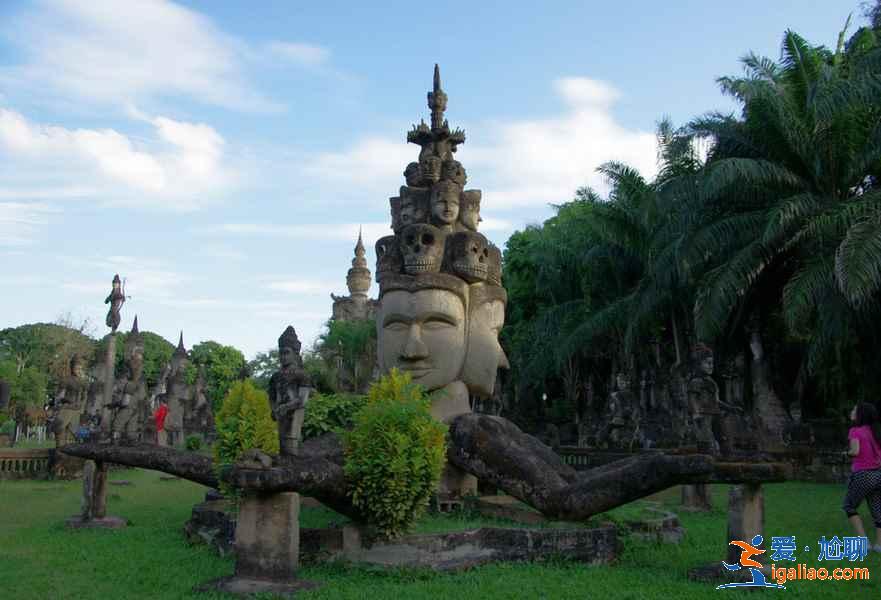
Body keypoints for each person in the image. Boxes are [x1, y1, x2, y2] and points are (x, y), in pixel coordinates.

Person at [842, 402, 881, 552]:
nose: (851, 411)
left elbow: (855, 451)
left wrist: (846, 453)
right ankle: (879, 545)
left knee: (849, 506)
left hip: (863, 474)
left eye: (854, 409)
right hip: (878, 474)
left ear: (861, 414)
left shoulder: (855, 431)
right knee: (878, 510)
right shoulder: (875, 431)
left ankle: (863, 542)